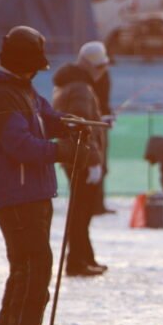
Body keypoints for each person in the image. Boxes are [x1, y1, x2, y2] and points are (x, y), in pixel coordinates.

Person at [0, 26, 79, 325]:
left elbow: (46, 117)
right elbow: (19, 146)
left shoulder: (23, 89)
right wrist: (61, 150)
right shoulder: (1, 95)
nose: (37, 69)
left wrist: (69, 124)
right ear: (23, 61)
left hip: (31, 192)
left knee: (24, 265)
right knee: (36, 264)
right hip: (17, 194)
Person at [52, 41, 110, 277]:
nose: (103, 72)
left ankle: (84, 257)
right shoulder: (80, 88)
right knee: (80, 213)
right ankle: (77, 261)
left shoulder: (71, 84)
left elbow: (83, 120)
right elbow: (82, 127)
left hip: (74, 157)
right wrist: (94, 162)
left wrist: (102, 119)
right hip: (81, 159)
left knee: (80, 211)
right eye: (101, 67)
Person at [91, 60, 114, 216]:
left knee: (101, 166)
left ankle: (99, 204)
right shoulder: (91, 81)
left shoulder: (103, 76)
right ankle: (95, 205)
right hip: (96, 128)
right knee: (96, 165)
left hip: (101, 124)